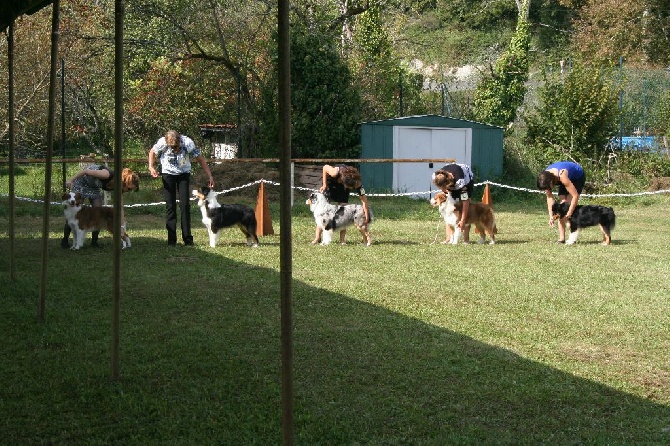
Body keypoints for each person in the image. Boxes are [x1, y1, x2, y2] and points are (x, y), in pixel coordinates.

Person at [149, 130, 214, 246]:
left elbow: (200, 159)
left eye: (177, 147)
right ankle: (171, 241)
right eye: (172, 148)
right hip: (168, 175)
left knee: (185, 206)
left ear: (180, 142)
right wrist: (151, 167)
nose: (176, 150)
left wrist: (210, 176)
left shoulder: (188, 143)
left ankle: (188, 239)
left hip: (183, 175)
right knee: (170, 206)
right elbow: (152, 152)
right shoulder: (162, 143)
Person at [61, 164, 140, 248]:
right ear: (123, 182)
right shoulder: (107, 174)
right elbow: (85, 171)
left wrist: (121, 226)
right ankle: (65, 240)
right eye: (128, 188)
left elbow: (120, 208)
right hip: (81, 183)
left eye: (130, 189)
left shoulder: (118, 187)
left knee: (98, 213)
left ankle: (94, 242)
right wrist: (71, 180)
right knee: (74, 214)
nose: (128, 190)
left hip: (94, 187)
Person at [313, 164, 371, 245]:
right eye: (349, 187)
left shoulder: (357, 184)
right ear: (342, 181)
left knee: (344, 212)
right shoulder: (334, 172)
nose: (351, 189)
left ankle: (342, 240)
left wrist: (367, 217)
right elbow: (325, 167)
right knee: (324, 213)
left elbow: (364, 201)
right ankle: (317, 238)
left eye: (351, 187)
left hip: (343, 189)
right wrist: (324, 185)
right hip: (330, 184)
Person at [537, 161, 585, 243]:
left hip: (577, 177)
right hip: (561, 178)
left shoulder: (562, 176)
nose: (548, 189)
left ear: (551, 182)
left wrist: (570, 212)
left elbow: (575, 196)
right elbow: (549, 198)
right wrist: (551, 216)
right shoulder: (545, 178)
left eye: (548, 187)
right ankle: (561, 239)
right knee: (561, 209)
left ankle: (572, 238)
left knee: (567, 207)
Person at [432, 163, 474, 243]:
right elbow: (444, 189)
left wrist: (462, 220)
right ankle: (448, 238)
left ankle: (466, 240)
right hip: (451, 179)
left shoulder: (460, 181)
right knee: (449, 210)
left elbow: (466, 201)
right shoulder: (436, 176)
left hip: (466, 179)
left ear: (448, 184)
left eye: (444, 188)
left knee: (463, 208)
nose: (444, 190)